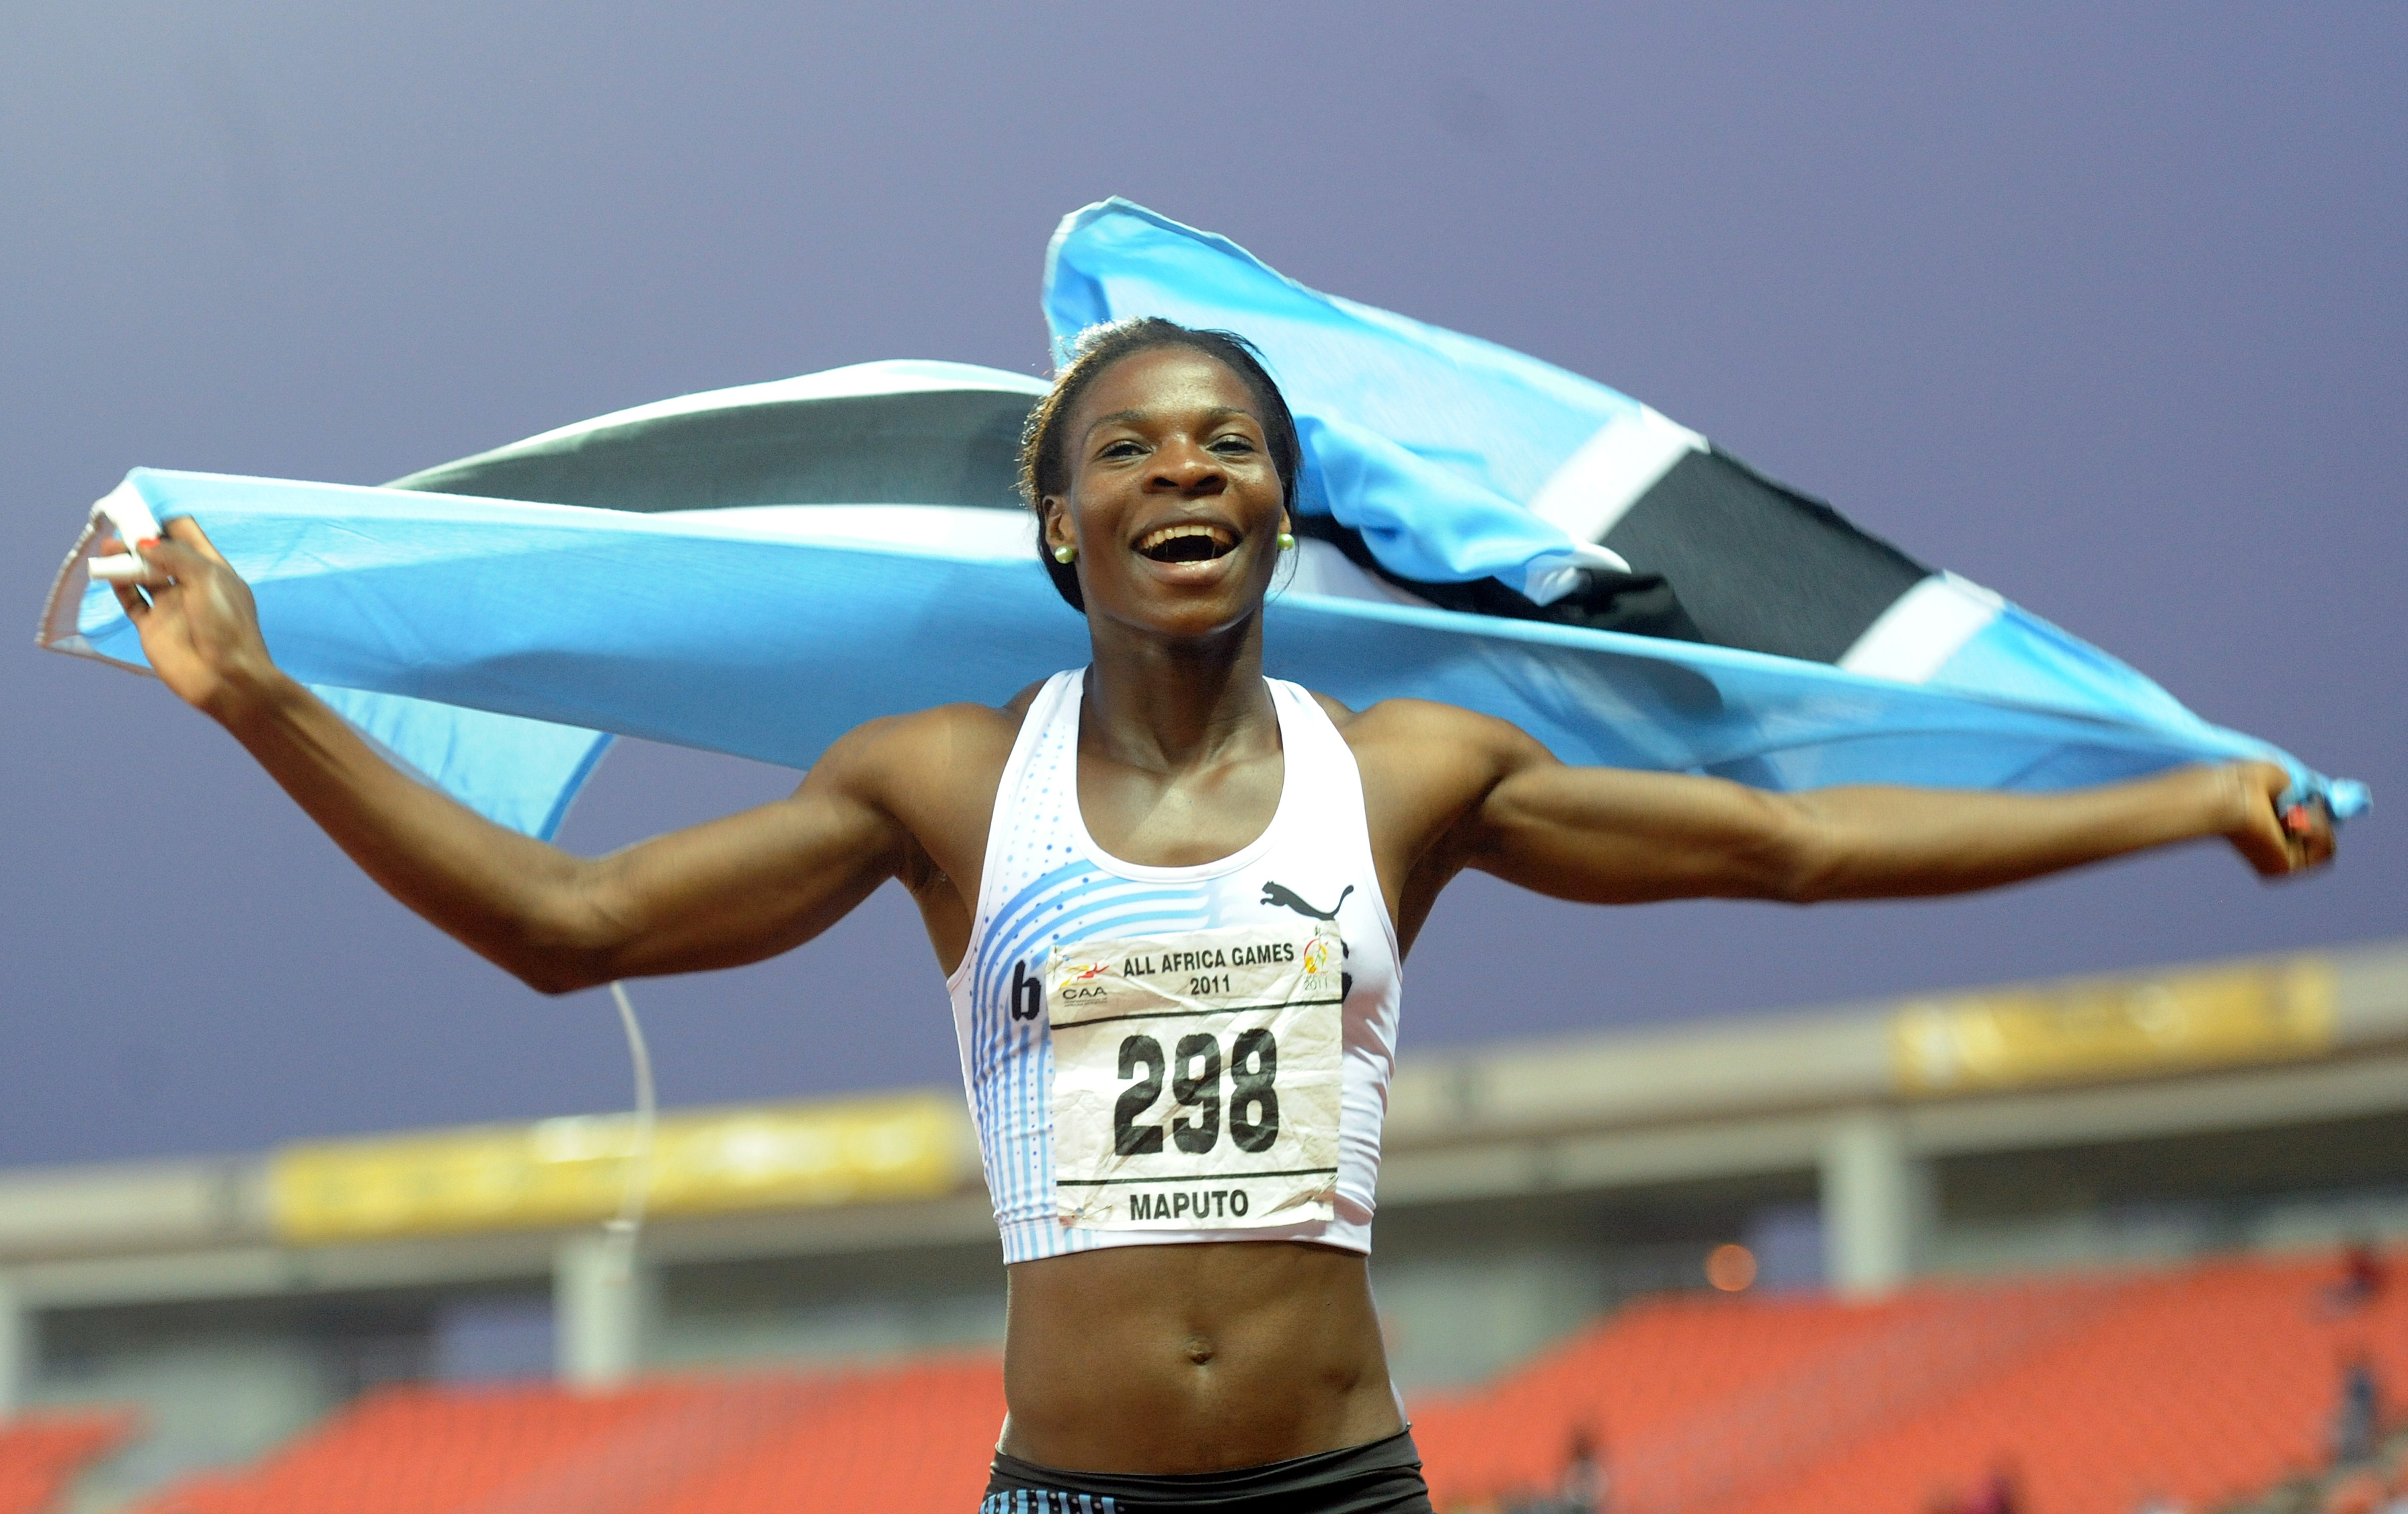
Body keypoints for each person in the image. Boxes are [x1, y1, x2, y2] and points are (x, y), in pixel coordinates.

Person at [104, 318, 2337, 1513]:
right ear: (1059, 523)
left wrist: (2173, 801)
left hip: (1342, 1494)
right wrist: (260, 696)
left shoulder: (1415, 776)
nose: (1186, 468)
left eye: (1229, 444)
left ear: (1281, 509)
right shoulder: (946, 785)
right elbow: (570, 916)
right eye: (1134, 448)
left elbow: (1799, 848)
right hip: (1071, 1505)